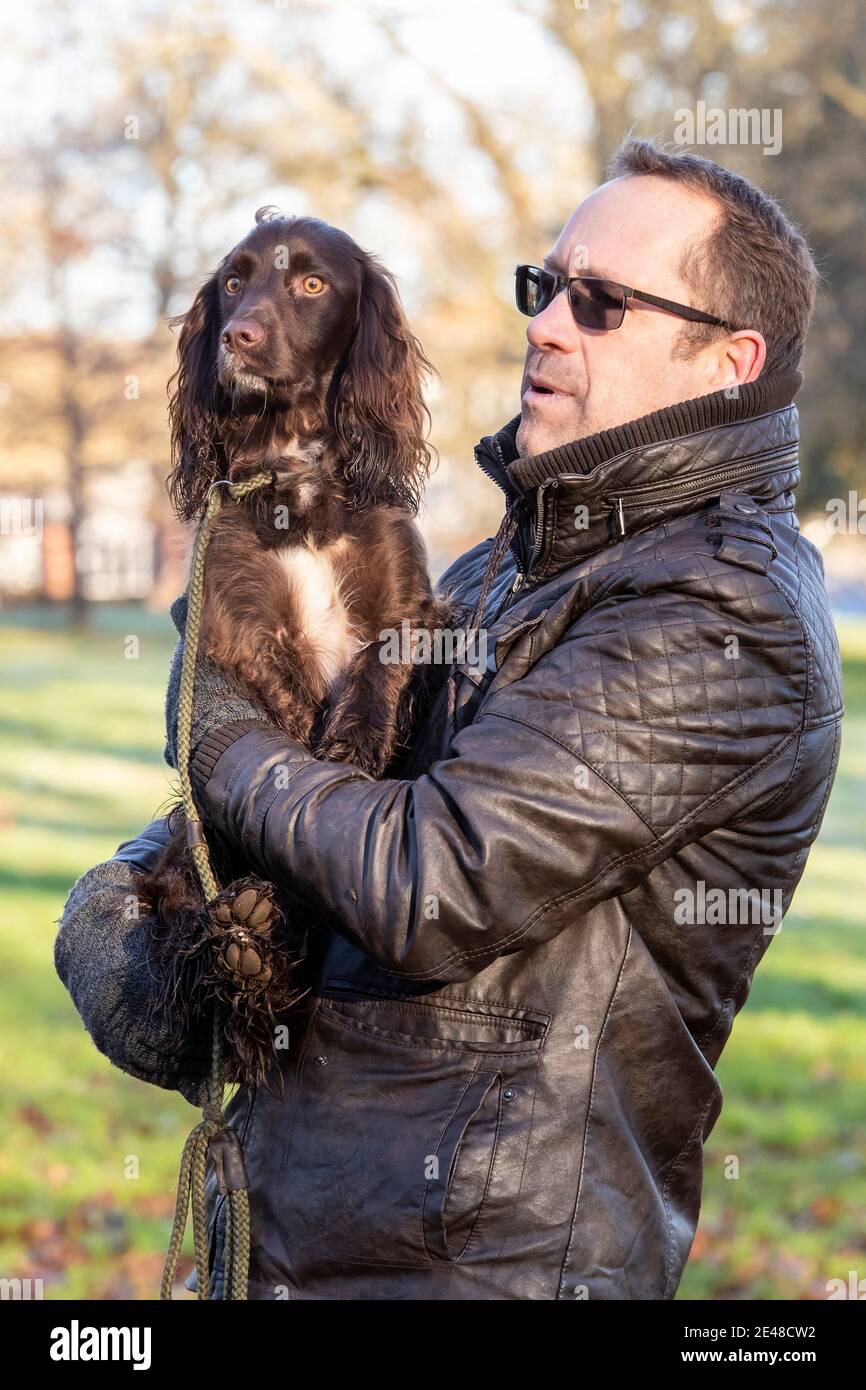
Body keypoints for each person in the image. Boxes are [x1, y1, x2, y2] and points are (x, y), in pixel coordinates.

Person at [55, 138, 842, 1301]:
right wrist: (133, 906)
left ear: (726, 362)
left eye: (602, 302)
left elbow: (430, 877)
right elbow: (310, 793)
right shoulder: (498, 567)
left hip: (473, 1273)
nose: (546, 322)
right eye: (544, 286)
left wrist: (212, 737)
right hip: (289, 1244)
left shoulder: (721, 610)